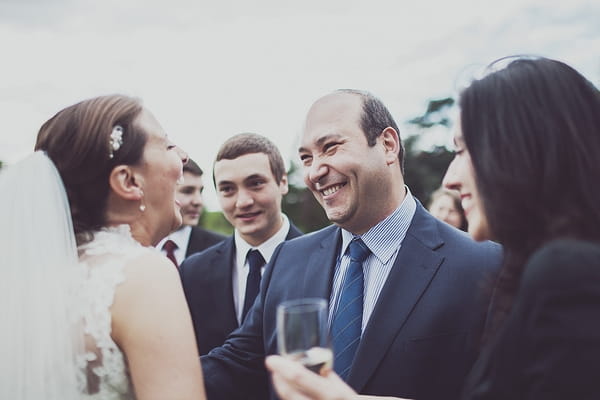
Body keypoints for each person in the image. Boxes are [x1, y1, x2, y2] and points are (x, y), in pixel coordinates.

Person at [265, 57, 600, 399]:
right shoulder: (542, 268)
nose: (450, 179)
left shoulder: (565, 272)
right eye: (306, 158)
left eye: (463, 150)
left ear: (526, 150)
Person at [201, 90, 502, 400]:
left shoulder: (484, 266)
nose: (315, 171)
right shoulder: (288, 259)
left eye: (330, 147)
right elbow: (236, 364)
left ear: (388, 145)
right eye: (306, 158)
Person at [0, 95, 206, 399]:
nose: (183, 156)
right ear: (128, 181)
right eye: (167, 145)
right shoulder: (140, 274)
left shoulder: (30, 281)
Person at [180, 133, 303, 355]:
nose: (243, 202)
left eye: (255, 184)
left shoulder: (322, 260)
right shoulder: (192, 272)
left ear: (282, 182)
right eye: (228, 189)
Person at [157, 158, 225, 267]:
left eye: (200, 191)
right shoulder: (133, 244)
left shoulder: (221, 247)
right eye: (187, 191)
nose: (198, 201)